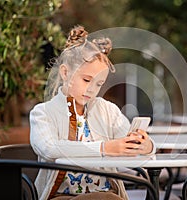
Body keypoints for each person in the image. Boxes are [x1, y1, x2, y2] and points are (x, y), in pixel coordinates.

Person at [29, 25, 155, 200]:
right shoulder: (42, 113)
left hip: (104, 193)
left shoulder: (107, 110)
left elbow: (132, 143)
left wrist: (145, 145)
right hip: (60, 196)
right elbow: (49, 148)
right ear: (65, 73)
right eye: (87, 80)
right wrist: (104, 148)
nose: (91, 89)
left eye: (98, 84)